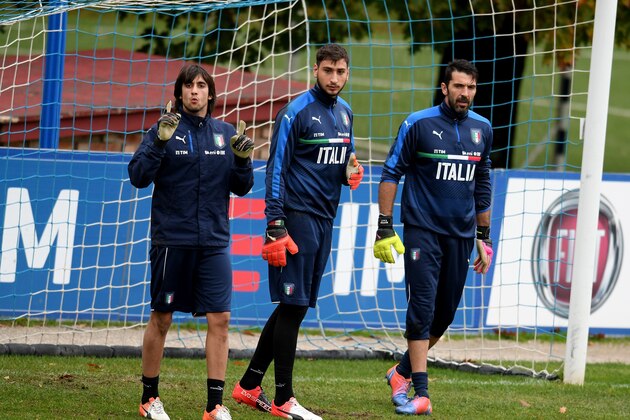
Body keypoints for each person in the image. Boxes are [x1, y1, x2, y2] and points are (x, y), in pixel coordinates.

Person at [231, 43, 363, 420]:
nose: (334, 78)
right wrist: (275, 224)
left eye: (340, 72)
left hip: (325, 219)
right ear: (315, 70)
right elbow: (276, 170)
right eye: (327, 71)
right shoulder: (295, 112)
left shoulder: (346, 113)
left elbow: (343, 159)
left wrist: (349, 173)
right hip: (296, 218)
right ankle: (283, 398)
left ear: (347, 73)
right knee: (292, 306)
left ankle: (249, 385)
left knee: (297, 305)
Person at [128, 63, 255, 420]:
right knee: (163, 319)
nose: (195, 91)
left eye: (201, 86)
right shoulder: (162, 130)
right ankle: (149, 398)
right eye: (188, 86)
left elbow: (242, 187)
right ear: (179, 93)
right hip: (172, 241)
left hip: (214, 242)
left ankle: (214, 405)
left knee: (221, 319)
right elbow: (138, 177)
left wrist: (243, 162)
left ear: (211, 93)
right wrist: (157, 143)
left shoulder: (225, 133)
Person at [373, 59, 493, 416]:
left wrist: (483, 238)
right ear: (445, 88)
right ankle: (420, 393)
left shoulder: (482, 129)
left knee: (444, 317)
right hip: (422, 232)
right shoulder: (418, 124)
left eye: (470, 88)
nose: (465, 94)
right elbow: (391, 172)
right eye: (459, 86)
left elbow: (483, 182)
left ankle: (400, 373)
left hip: (461, 235)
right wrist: (385, 224)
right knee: (422, 309)